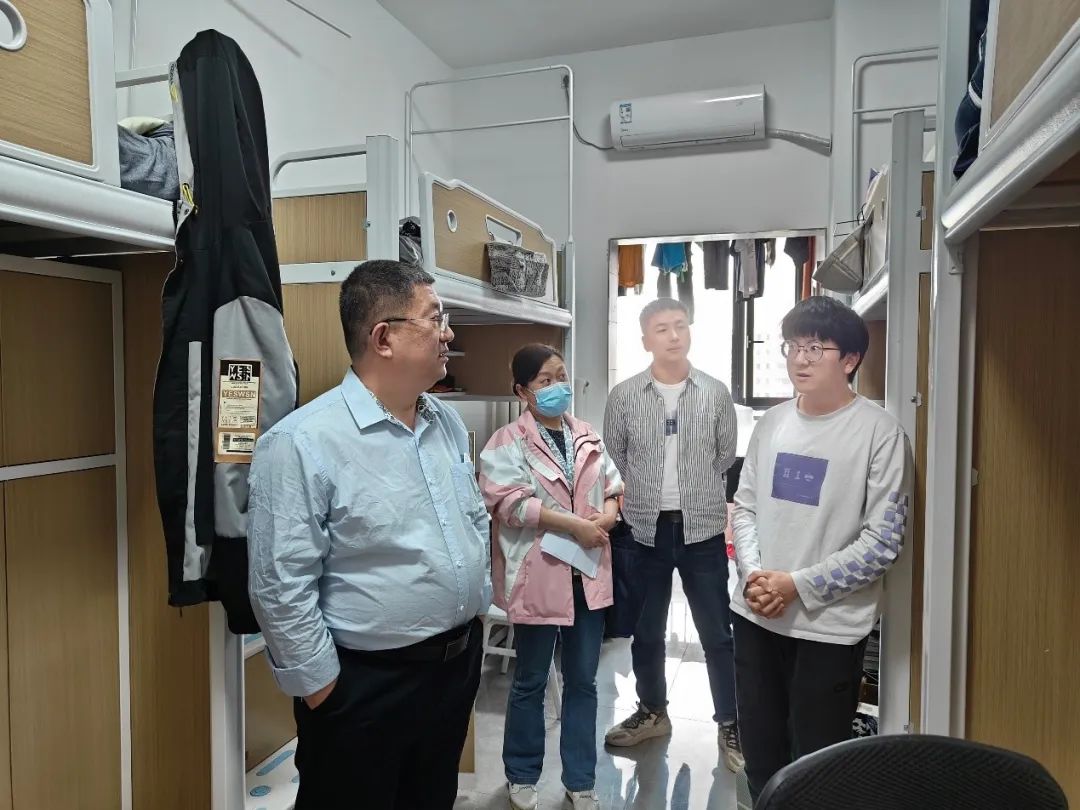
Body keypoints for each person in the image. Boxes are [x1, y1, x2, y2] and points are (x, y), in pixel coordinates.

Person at [247, 260, 491, 810]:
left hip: (452, 671)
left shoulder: (445, 423)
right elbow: (279, 584)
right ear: (384, 338)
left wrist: (477, 607)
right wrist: (325, 690)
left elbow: (473, 518)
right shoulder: (302, 443)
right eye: (436, 318)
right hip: (363, 688)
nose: (449, 333)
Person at [730, 296, 914, 800]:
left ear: (850, 359)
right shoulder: (771, 424)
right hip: (755, 616)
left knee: (816, 765)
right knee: (760, 754)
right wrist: (754, 576)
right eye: (793, 346)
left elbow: (882, 543)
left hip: (828, 629)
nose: (800, 358)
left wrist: (796, 586)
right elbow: (744, 508)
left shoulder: (880, 433)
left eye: (816, 348)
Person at [479, 344, 624, 810]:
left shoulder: (587, 435)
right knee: (531, 679)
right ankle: (522, 775)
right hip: (538, 575)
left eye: (561, 376)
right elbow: (509, 504)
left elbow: (613, 486)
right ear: (522, 391)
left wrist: (607, 515)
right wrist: (573, 525)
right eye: (545, 380)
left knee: (583, 682)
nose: (557, 386)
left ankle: (581, 780)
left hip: (587, 575)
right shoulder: (506, 442)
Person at [602, 297, 744, 773]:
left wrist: (693, 490)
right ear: (646, 339)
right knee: (646, 630)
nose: (673, 335)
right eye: (662, 328)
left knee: (716, 632)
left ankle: (731, 721)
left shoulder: (715, 393)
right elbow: (618, 453)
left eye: (680, 325)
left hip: (702, 528)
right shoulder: (624, 395)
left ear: (690, 330)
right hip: (645, 528)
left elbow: (725, 455)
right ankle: (652, 711)